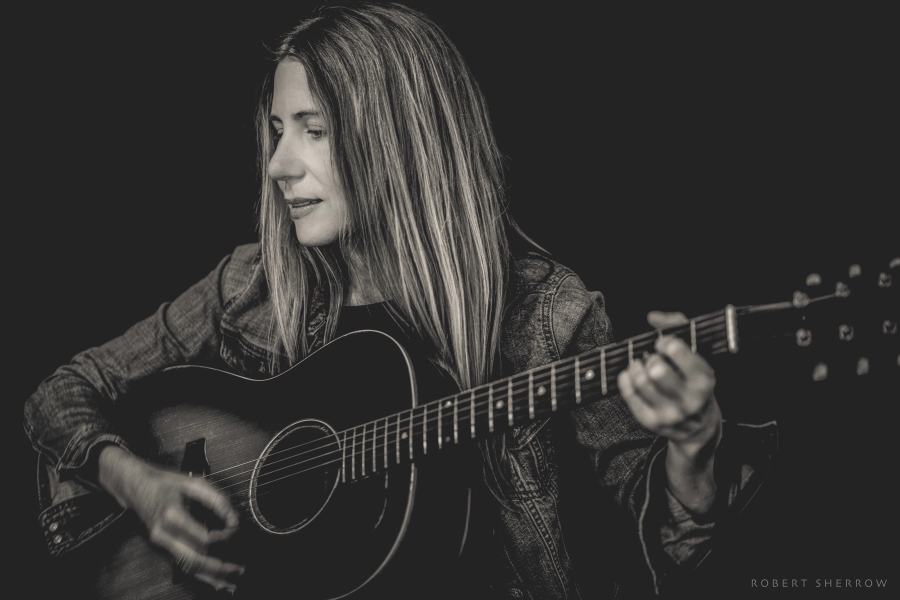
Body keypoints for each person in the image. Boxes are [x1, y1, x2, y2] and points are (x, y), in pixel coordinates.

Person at [23, 2, 775, 597]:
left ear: (399, 139)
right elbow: (59, 395)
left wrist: (693, 451)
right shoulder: (250, 285)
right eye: (278, 130)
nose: (279, 164)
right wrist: (138, 483)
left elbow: (668, 558)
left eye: (314, 131)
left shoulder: (547, 315)